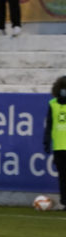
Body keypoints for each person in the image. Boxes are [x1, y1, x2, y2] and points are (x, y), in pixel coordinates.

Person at [43, 76, 66, 211]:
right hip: (59, 147)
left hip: (60, 147)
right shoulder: (53, 104)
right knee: (63, 177)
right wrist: (47, 141)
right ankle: (64, 202)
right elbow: (49, 124)